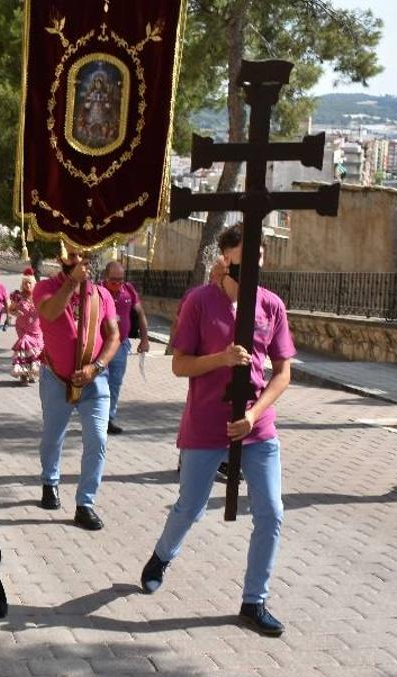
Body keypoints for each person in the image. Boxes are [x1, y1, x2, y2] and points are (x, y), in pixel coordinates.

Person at [138, 222, 294, 637]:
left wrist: (256, 412)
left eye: (260, 255)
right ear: (226, 258)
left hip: (257, 428)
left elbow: (282, 373)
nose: (256, 262)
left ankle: (253, 601)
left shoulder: (272, 305)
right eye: (247, 254)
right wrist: (221, 359)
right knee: (190, 505)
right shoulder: (199, 302)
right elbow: (179, 364)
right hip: (206, 423)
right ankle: (161, 556)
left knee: (272, 513)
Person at [34, 245, 120, 530]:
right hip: (55, 379)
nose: (78, 261)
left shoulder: (102, 295)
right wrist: (72, 282)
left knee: (97, 440)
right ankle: (50, 481)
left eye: (82, 256)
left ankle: (85, 503)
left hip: (94, 381)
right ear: (61, 259)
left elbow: (113, 337)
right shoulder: (45, 288)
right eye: (72, 256)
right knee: (52, 436)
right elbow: (49, 313)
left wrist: (97, 367)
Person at [101, 260, 150, 435]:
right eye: (113, 280)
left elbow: (140, 313)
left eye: (120, 280)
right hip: (101, 346)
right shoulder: (98, 291)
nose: (117, 284)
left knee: (114, 384)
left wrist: (144, 339)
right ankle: (95, 418)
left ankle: (108, 420)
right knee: (98, 383)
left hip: (121, 346)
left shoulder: (128, 290)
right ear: (105, 277)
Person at [8, 268, 43, 384]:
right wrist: (15, 313)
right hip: (22, 327)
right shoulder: (18, 296)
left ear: (34, 284)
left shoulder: (39, 296)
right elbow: (10, 309)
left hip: (36, 328)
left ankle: (32, 372)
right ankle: (23, 374)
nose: (27, 285)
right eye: (25, 283)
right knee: (24, 347)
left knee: (35, 351)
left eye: (30, 283)